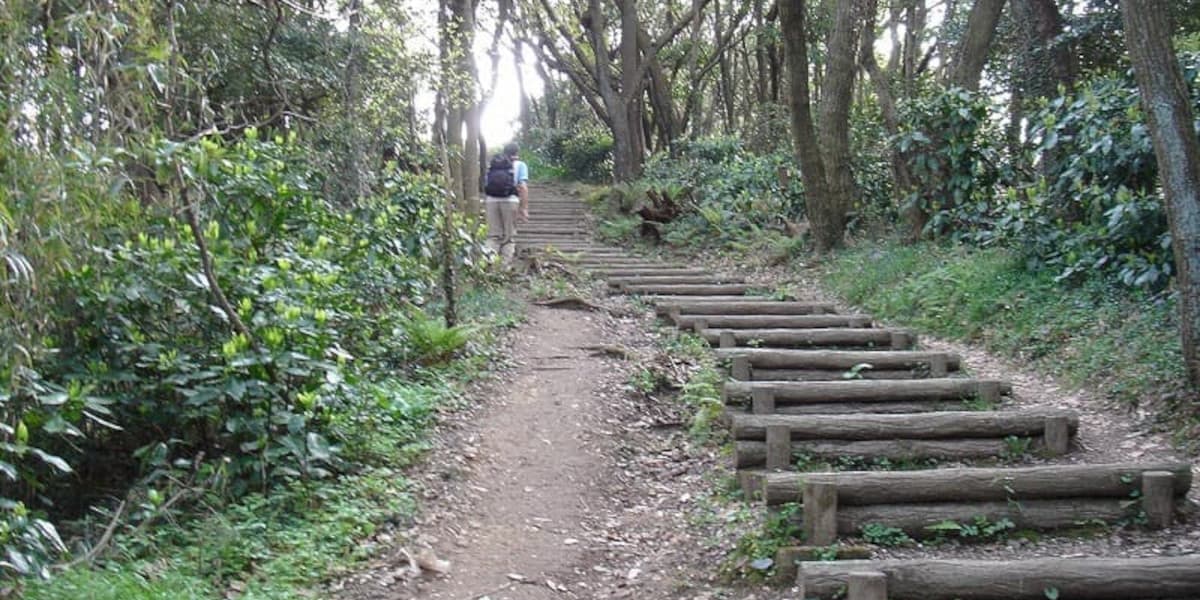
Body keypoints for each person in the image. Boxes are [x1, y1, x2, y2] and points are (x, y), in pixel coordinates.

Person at [483, 142, 530, 264]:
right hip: (510, 201)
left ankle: (489, 265)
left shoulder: (493, 165)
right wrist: (523, 208)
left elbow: (486, 183)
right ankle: (503, 268)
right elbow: (523, 187)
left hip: (491, 201)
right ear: (517, 153)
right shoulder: (520, 165)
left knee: (493, 236)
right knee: (509, 238)